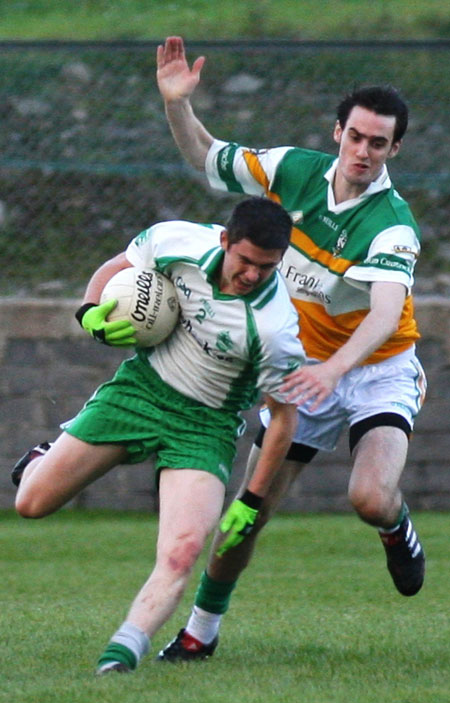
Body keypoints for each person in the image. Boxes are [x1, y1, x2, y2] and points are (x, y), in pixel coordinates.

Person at [155, 36, 427, 662]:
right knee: (247, 510)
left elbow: (386, 314)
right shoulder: (292, 170)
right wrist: (177, 104)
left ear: (394, 150)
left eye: (378, 143)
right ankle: (200, 632)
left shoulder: (391, 222)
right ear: (339, 132)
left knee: (369, 497)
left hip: (376, 369)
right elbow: (205, 155)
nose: (364, 151)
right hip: (304, 371)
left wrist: (335, 369)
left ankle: (395, 525)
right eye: (356, 136)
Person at [12, 196, 306, 674]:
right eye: (245, 261)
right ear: (225, 241)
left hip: (204, 427)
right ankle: (45, 457)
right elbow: (118, 265)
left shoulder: (275, 329)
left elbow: (285, 419)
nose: (253, 275)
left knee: (182, 550)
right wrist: (89, 312)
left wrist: (251, 499)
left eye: (267, 267)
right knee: (31, 504)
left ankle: (123, 651)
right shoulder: (178, 243)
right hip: (139, 391)